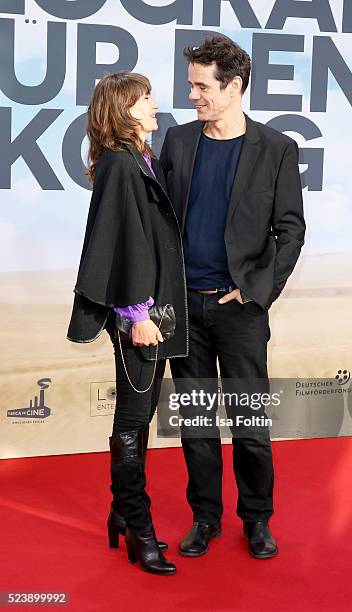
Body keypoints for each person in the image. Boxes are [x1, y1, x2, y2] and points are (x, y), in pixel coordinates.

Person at [160, 35, 306, 559]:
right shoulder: (176, 142)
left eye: (202, 86)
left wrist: (256, 290)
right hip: (185, 309)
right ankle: (205, 517)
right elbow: (158, 222)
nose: (193, 95)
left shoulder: (277, 148)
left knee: (249, 424)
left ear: (234, 86)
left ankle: (257, 519)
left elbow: (291, 231)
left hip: (239, 310)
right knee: (198, 424)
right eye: (191, 85)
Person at [67, 72, 188, 575]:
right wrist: (136, 314)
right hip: (142, 315)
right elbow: (119, 242)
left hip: (158, 310)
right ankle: (139, 527)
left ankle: (121, 510)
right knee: (134, 423)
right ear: (124, 110)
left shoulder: (141, 160)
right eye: (146, 99)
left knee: (137, 421)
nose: (156, 104)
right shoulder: (120, 165)